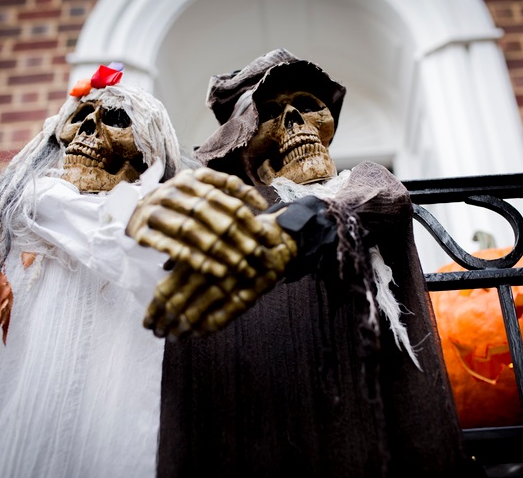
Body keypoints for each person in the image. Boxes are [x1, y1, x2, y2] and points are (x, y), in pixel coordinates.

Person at [127, 49, 482, 477]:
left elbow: (378, 199)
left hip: (353, 401)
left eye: (310, 107)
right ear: (241, 142)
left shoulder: (359, 183)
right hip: (250, 406)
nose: (296, 124)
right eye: (272, 113)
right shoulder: (223, 206)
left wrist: (291, 231)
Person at [0, 64, 195, 478]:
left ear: (150, 153)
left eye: (115, 122)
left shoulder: (157, 237)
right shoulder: (20, 223)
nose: (89, 133)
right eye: (79, 121)